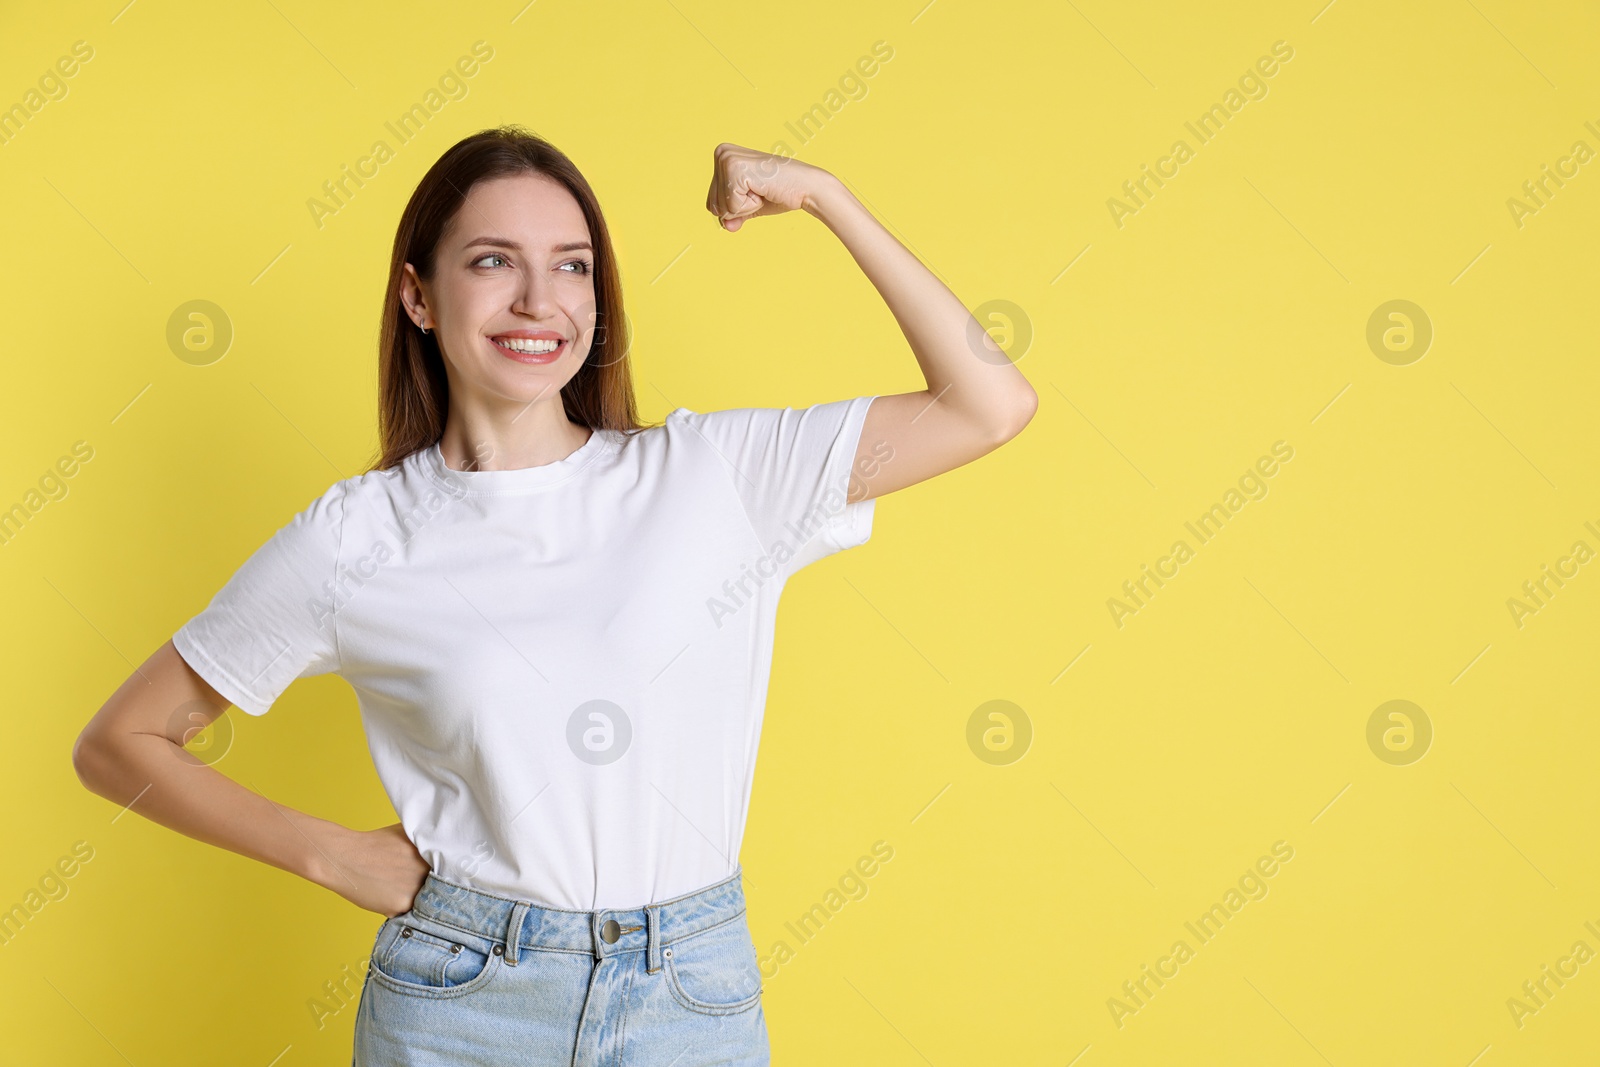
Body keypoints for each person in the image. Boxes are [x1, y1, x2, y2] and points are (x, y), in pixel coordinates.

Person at [71, 125, 1036, 1065]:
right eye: (494, 262)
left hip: (688, 995)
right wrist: (329, 854)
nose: (541, 301)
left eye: (573, 267)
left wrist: (826, 196)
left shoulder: (716, 474)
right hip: (461, 1002)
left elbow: (988, 404)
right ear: (419, 295)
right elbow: (121, 742)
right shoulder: (356, 538)